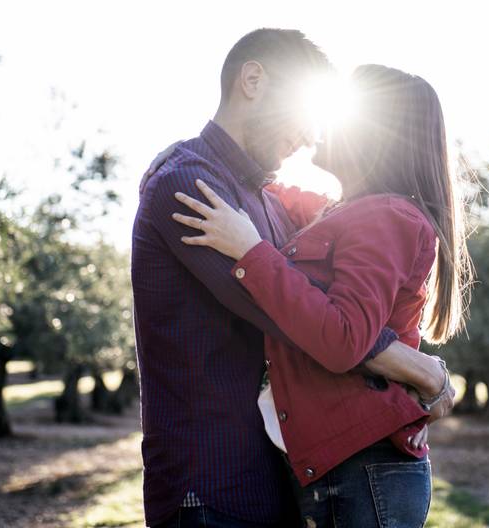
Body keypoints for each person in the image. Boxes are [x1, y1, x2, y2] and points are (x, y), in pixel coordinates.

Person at [131, 29, 454, 528]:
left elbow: (322, 305)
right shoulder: (189, 184)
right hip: (208, 487)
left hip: (275, 481)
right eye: (306, 113)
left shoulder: (266, 200)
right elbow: (300, 320)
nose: (310, 136)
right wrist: (417, 368)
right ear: (253, 80)